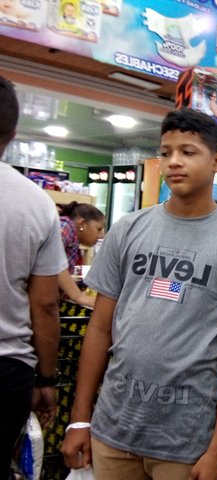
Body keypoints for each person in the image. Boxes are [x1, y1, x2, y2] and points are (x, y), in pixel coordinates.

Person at [61, 108, 217, 480]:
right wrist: (80, 419)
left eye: (188, 152)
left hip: (185, 441)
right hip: (113, 429)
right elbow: (100, 328)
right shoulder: (128, 229)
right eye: (166, 151)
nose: (173, 161)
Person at [0, 75, 68, 478]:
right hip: (8, 369)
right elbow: (44, 304)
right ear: (12, 133)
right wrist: (46, 378)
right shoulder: (36, 203)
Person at [56, 201, 105, 308]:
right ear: (83, 224)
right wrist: (78, 296)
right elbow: (53, 260)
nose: (101, 236)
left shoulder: (72, 237)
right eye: (99, 229)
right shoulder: (66, 226)